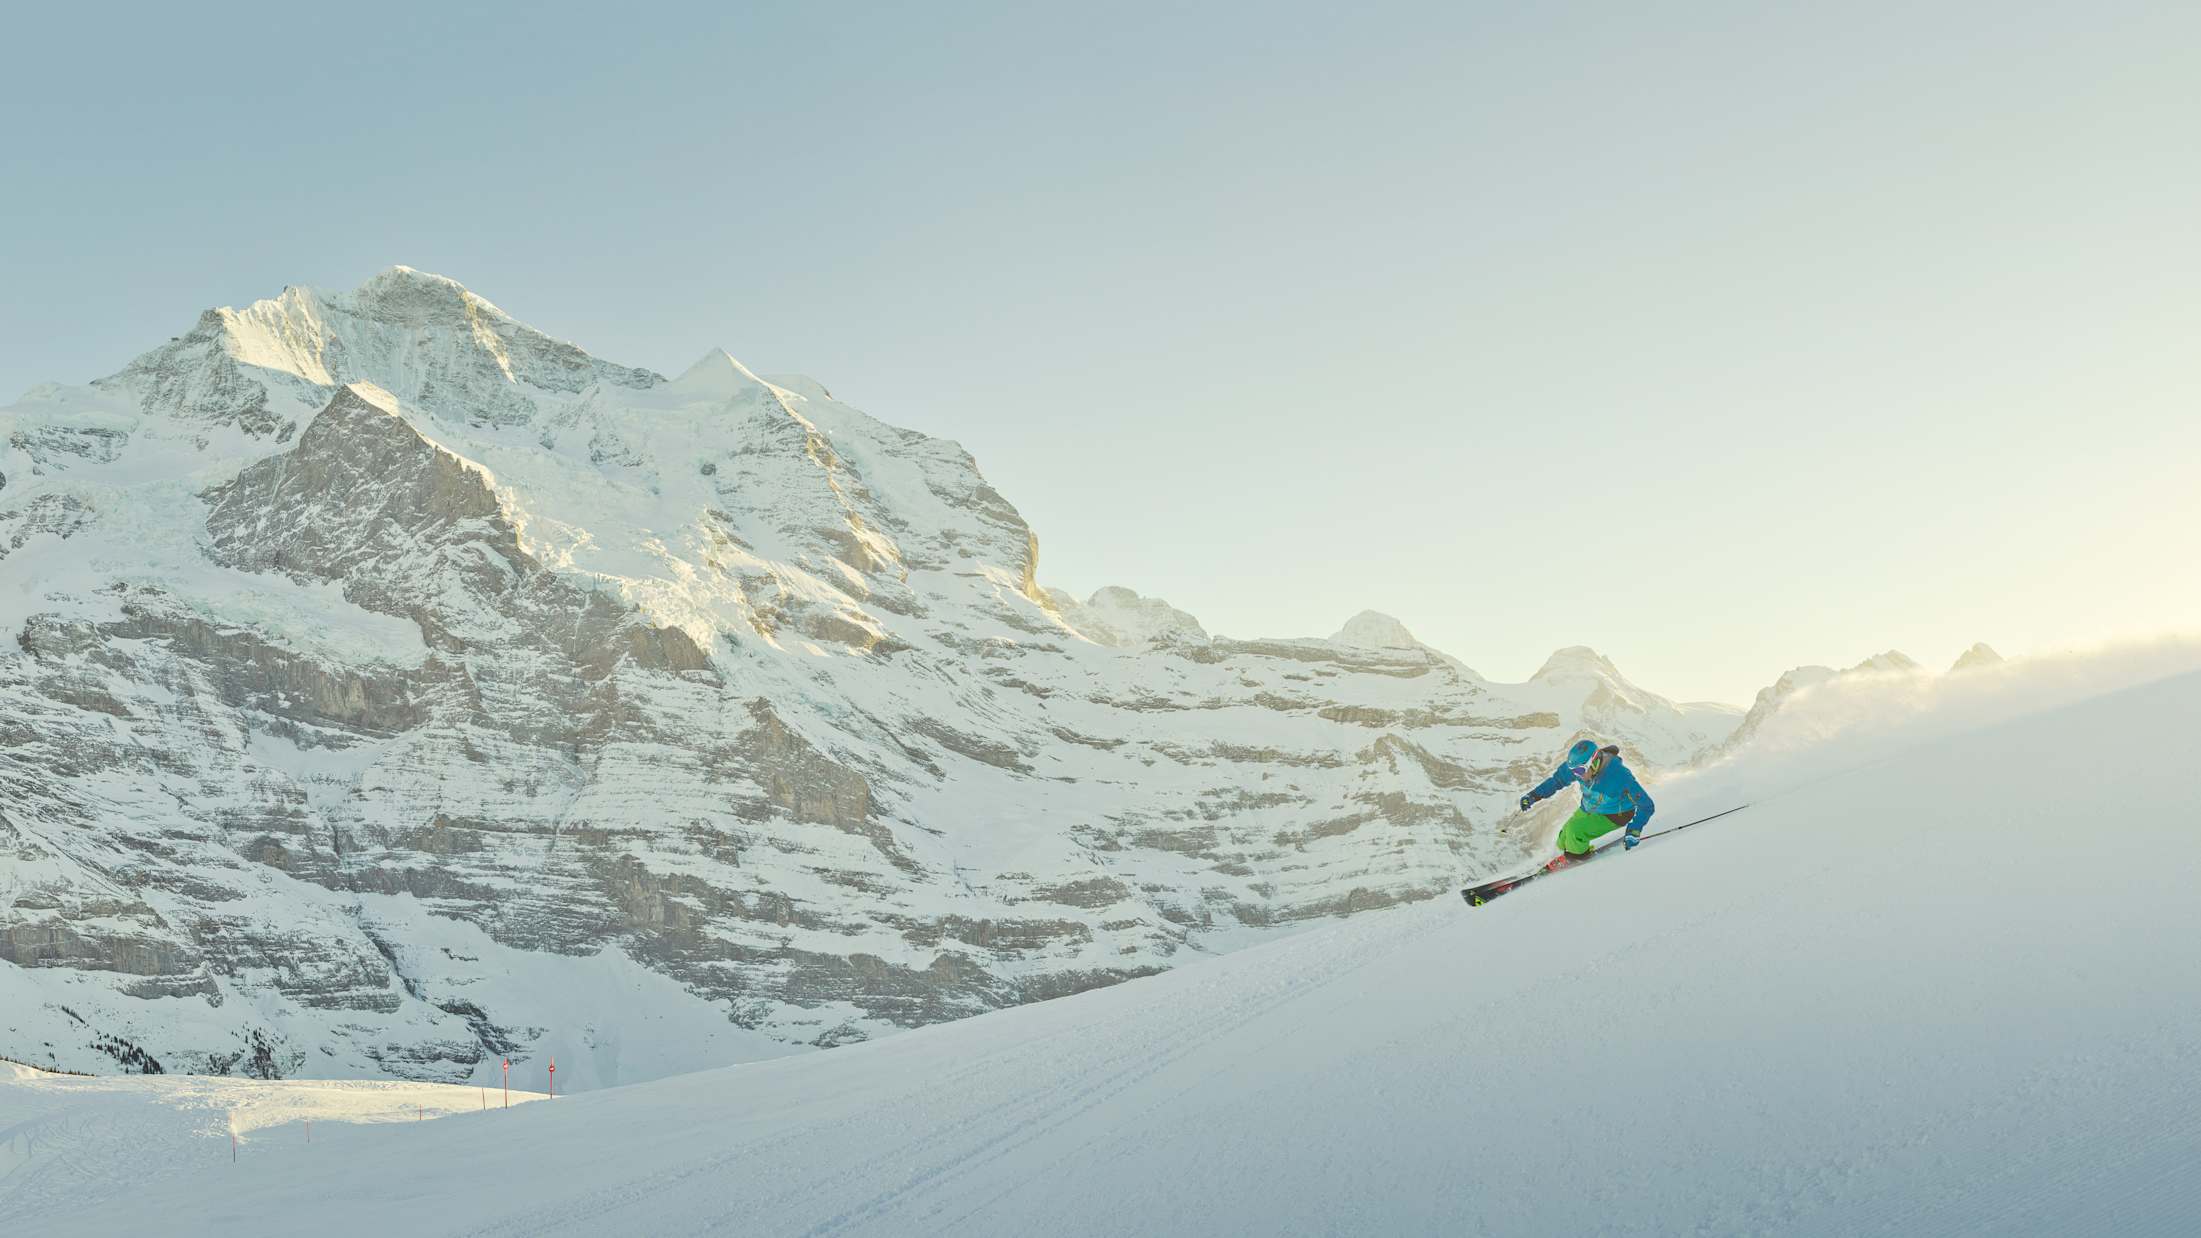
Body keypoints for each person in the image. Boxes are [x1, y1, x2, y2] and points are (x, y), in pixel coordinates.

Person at [1518, 738, 1656, 867]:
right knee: (1564, 836)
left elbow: (1646, 805)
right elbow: (1557, 781)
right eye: (1573, 771)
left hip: (1615, 814)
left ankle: (1577, 859)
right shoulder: (1578, 767)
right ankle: (1563, 854)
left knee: (1575, 831)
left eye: (1579, 771)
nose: (1576, 775)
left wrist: (1635, 829)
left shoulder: (1619, 776)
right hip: (1590, 807)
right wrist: (1534, 795)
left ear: (1594, 762)